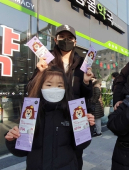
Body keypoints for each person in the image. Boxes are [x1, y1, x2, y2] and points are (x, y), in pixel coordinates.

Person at [29, 25, 94, 170]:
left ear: (75, 42)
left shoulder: (83, 63)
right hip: (49, 116)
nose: (66, 40)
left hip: (74, 118)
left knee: (75, 155)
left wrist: (86, 81)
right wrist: (38, 72)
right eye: (62, 37)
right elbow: (32, 89)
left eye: (70, 38)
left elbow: (88, 95)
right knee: (47, 152)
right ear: (55, 40)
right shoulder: (46, 59)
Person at [5, 66, 95, 170]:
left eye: (60, 85)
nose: (54, 89)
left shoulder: (72, 112)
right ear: (41, 86)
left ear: (65, 88)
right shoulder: (31, 113)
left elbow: (80, 146)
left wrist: (87, 127)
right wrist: (12, 140)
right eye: (49, 84)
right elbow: (21, 151)